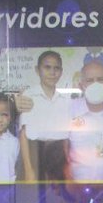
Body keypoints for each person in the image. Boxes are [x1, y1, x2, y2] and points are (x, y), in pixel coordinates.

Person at [17, 50, 72, 182]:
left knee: (60, 192)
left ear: (61, 71)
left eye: (56, 68)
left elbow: (67, 136)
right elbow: (23, 134)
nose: (52, 72)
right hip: (35, 152)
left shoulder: (66, 99)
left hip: (59, 153)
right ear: (37, 70)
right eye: (47, 67)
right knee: (35, 192)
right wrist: (28, 169)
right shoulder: (29, 96)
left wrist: (68, 164)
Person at [67, 59, 103, 184]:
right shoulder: (69, 109)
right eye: (90, 80)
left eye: (100, 79)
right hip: (76, 187)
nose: (95, 85)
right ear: (81, 86)